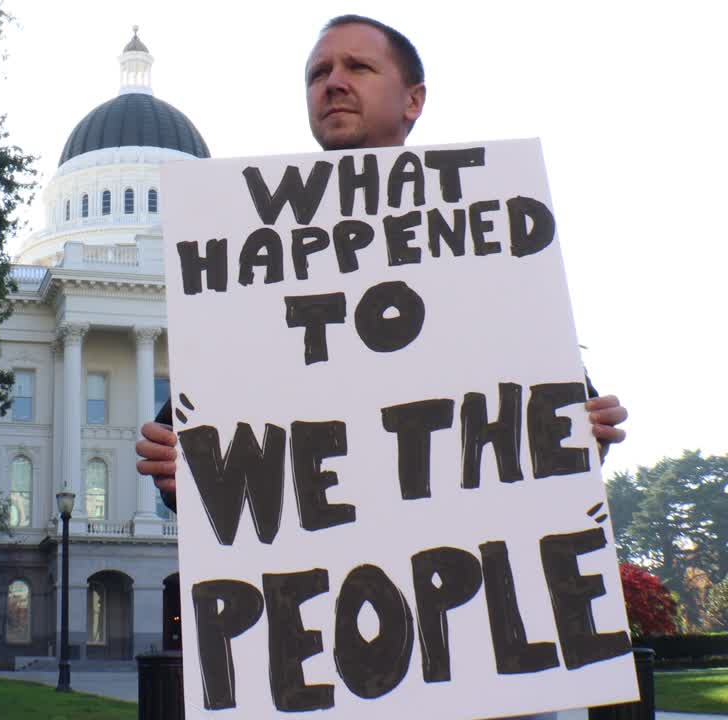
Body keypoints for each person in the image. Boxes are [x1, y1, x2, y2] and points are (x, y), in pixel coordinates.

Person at [134, 15, 629, 720]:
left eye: (357, 68)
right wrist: (172, 467)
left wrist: (589, 433)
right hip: (322, 667)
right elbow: (212, 455)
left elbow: (540, 440)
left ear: (413, 99)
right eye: (317, 72)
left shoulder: (482, 236)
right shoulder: (250, 260)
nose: (332, 82)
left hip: (478, 664)